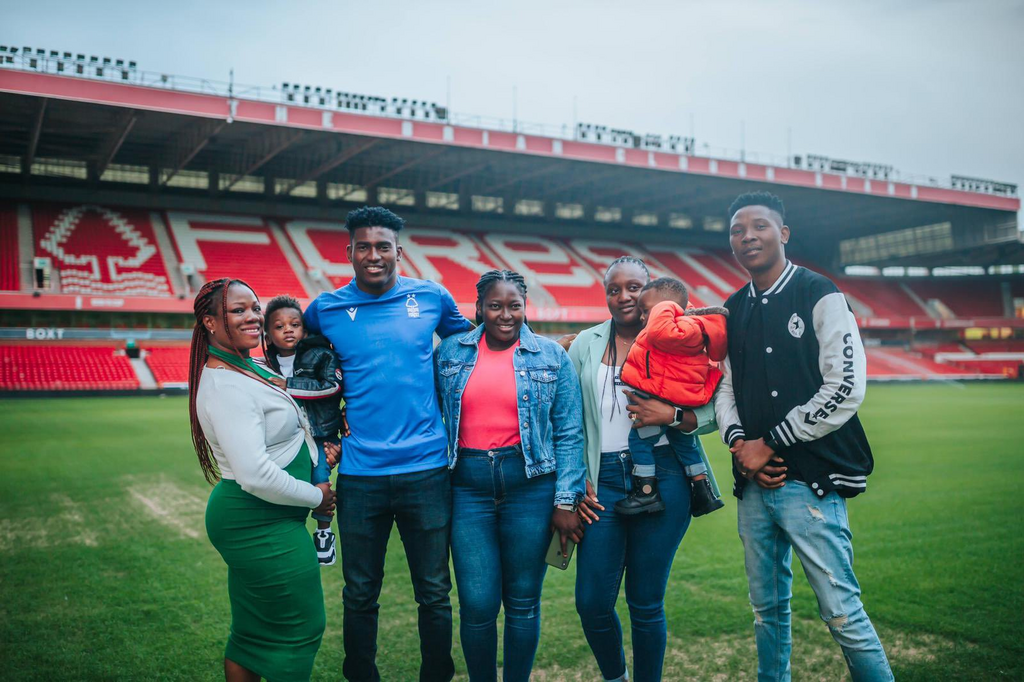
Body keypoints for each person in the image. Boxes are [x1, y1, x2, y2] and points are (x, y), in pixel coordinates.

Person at [715, 191, 893, 681]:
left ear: (784, 234)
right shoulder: (732, 309)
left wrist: (767, 443)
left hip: (811, 484)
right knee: (766, 614)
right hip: (754, 487)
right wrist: (739, 445)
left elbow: (846, 386)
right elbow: (724, 387)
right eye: (737, 230)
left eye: (759, 226)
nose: (747, 236)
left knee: (842, 615)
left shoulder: (820, 293)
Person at [303, 206, 472, 682]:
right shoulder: (325, 308)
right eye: (364, 247)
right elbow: (297, 361)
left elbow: (475, 347)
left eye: (382, 247)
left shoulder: (432, 297)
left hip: (427, 470)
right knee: (359, 593)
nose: (373, 255)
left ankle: (436, 675)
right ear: (350, 252)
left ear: (398, 251)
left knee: (435, 592)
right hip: (360, 476)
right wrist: (324, 426)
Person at [564, 257, 721, 682]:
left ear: (651, 291)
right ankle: (615, 676)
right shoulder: (586, 344)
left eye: (634, 287)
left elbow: (711, 412)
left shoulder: (684, 335)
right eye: (614, 289)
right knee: (592, 601)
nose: (624, 297)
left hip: (667, 475)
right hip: (603, 482)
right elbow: (570, 421)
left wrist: (670, 415)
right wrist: (575, 485)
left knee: (646, 601)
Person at [435, 270, 586, 682]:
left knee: (522, 602)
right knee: (478, 604)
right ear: (479, 307)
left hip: (531, 489)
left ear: (525, 307)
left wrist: (565, 500)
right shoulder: (449, 353)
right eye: (495, 306)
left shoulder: (552, 357)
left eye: (514, 305)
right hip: (467, 489)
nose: (505, 315)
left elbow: (570, 433)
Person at [188, 277, 336, 682]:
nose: (253, 316)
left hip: (262, 517)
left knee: (251, 636)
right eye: (238, 310)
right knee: (301, 630)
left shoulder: (249, 365)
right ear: (210, 323)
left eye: (254, 307)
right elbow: (254, 473)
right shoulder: (225, 385)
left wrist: (317, 449)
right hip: (257, 520)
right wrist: (315, 497)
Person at [615, 276, 727, 517]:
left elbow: (658, 333)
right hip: (676, 397)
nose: (643, 318)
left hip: (662, 398)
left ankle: (646, 492)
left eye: (646, 311)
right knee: (684, 444)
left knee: (639, 441)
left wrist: (664, 309)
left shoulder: (675, 328)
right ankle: (702, 490)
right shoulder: (691, 328)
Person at [261, 294, 345, 566]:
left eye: (294, 324)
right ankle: (285, 533)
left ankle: (323, 533)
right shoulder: (265, 363)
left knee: (320, 479)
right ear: (268, 333)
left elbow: (332, 387)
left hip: (321, 435)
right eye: (279, 326)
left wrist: (289, 385)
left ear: (304, 329)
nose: (288, 329)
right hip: (287, 439)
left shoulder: (321, 354)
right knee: (286, 484)